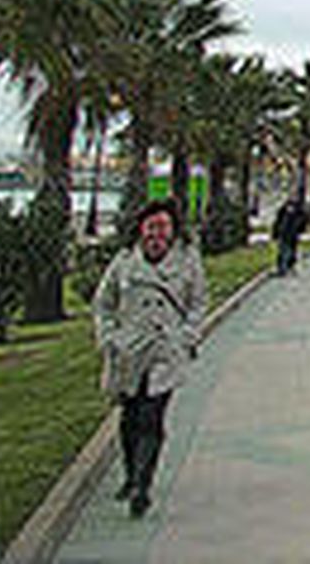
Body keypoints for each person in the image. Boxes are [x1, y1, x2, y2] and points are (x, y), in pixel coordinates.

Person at [93, 199, 207, 518]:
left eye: (164, 226)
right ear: (141, 229)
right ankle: (131, 475)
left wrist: (186, 337)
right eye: (152, 226)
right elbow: (103, 304)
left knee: (152, 416)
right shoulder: (124, 262)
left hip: (165, 353)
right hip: (129, 352)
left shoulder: (188, 262)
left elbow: (198, 303)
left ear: (173, 230)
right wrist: (108, 338)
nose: (158, 233)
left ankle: (142, 486)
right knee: (129, 417)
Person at [273, 196, 308, 276]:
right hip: (283, 233)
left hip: (292, 234)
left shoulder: (299, 212)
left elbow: (303, 222)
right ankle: (282, 267)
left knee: (290, 250)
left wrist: (300, 229)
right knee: (283, 250)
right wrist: (275, 232)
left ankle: (288, 266)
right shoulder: (283, 211)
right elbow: (278, 222)